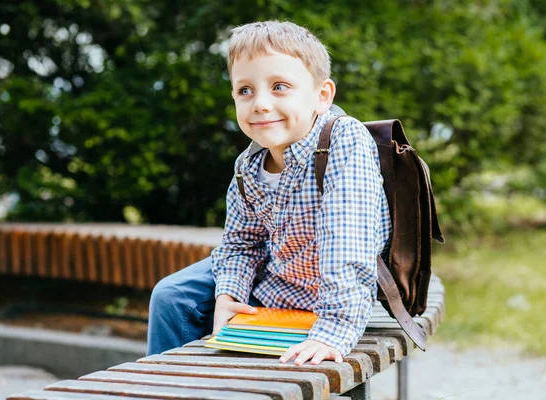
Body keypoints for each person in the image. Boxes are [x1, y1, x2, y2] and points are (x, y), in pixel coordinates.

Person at [147, 20, 392, 366]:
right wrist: (228, 294)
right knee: (172, 297)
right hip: (276, 274)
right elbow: (241, 242)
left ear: (322, 96)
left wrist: (334, 329)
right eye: (245, 90)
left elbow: (348, 243)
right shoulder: (249, 165)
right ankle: (172, 384)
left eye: (279, 87)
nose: (260, 103)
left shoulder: (343, 140)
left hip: (329, 289)